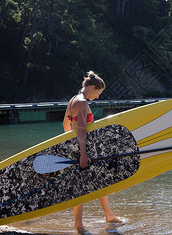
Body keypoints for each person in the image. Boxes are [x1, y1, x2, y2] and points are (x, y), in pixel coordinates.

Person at [62, 71, 122, 231]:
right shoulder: (82, 103)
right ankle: (79, 225)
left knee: (99, 182)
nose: (97, 97)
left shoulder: (73, 100)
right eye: (98, 93)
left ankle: (108, 215)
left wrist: (70, 145)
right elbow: (81, 130)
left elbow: (65, 125)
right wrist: (82, 153)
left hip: (76, 147)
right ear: (92, 87)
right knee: (80, 188)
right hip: (83, 149)